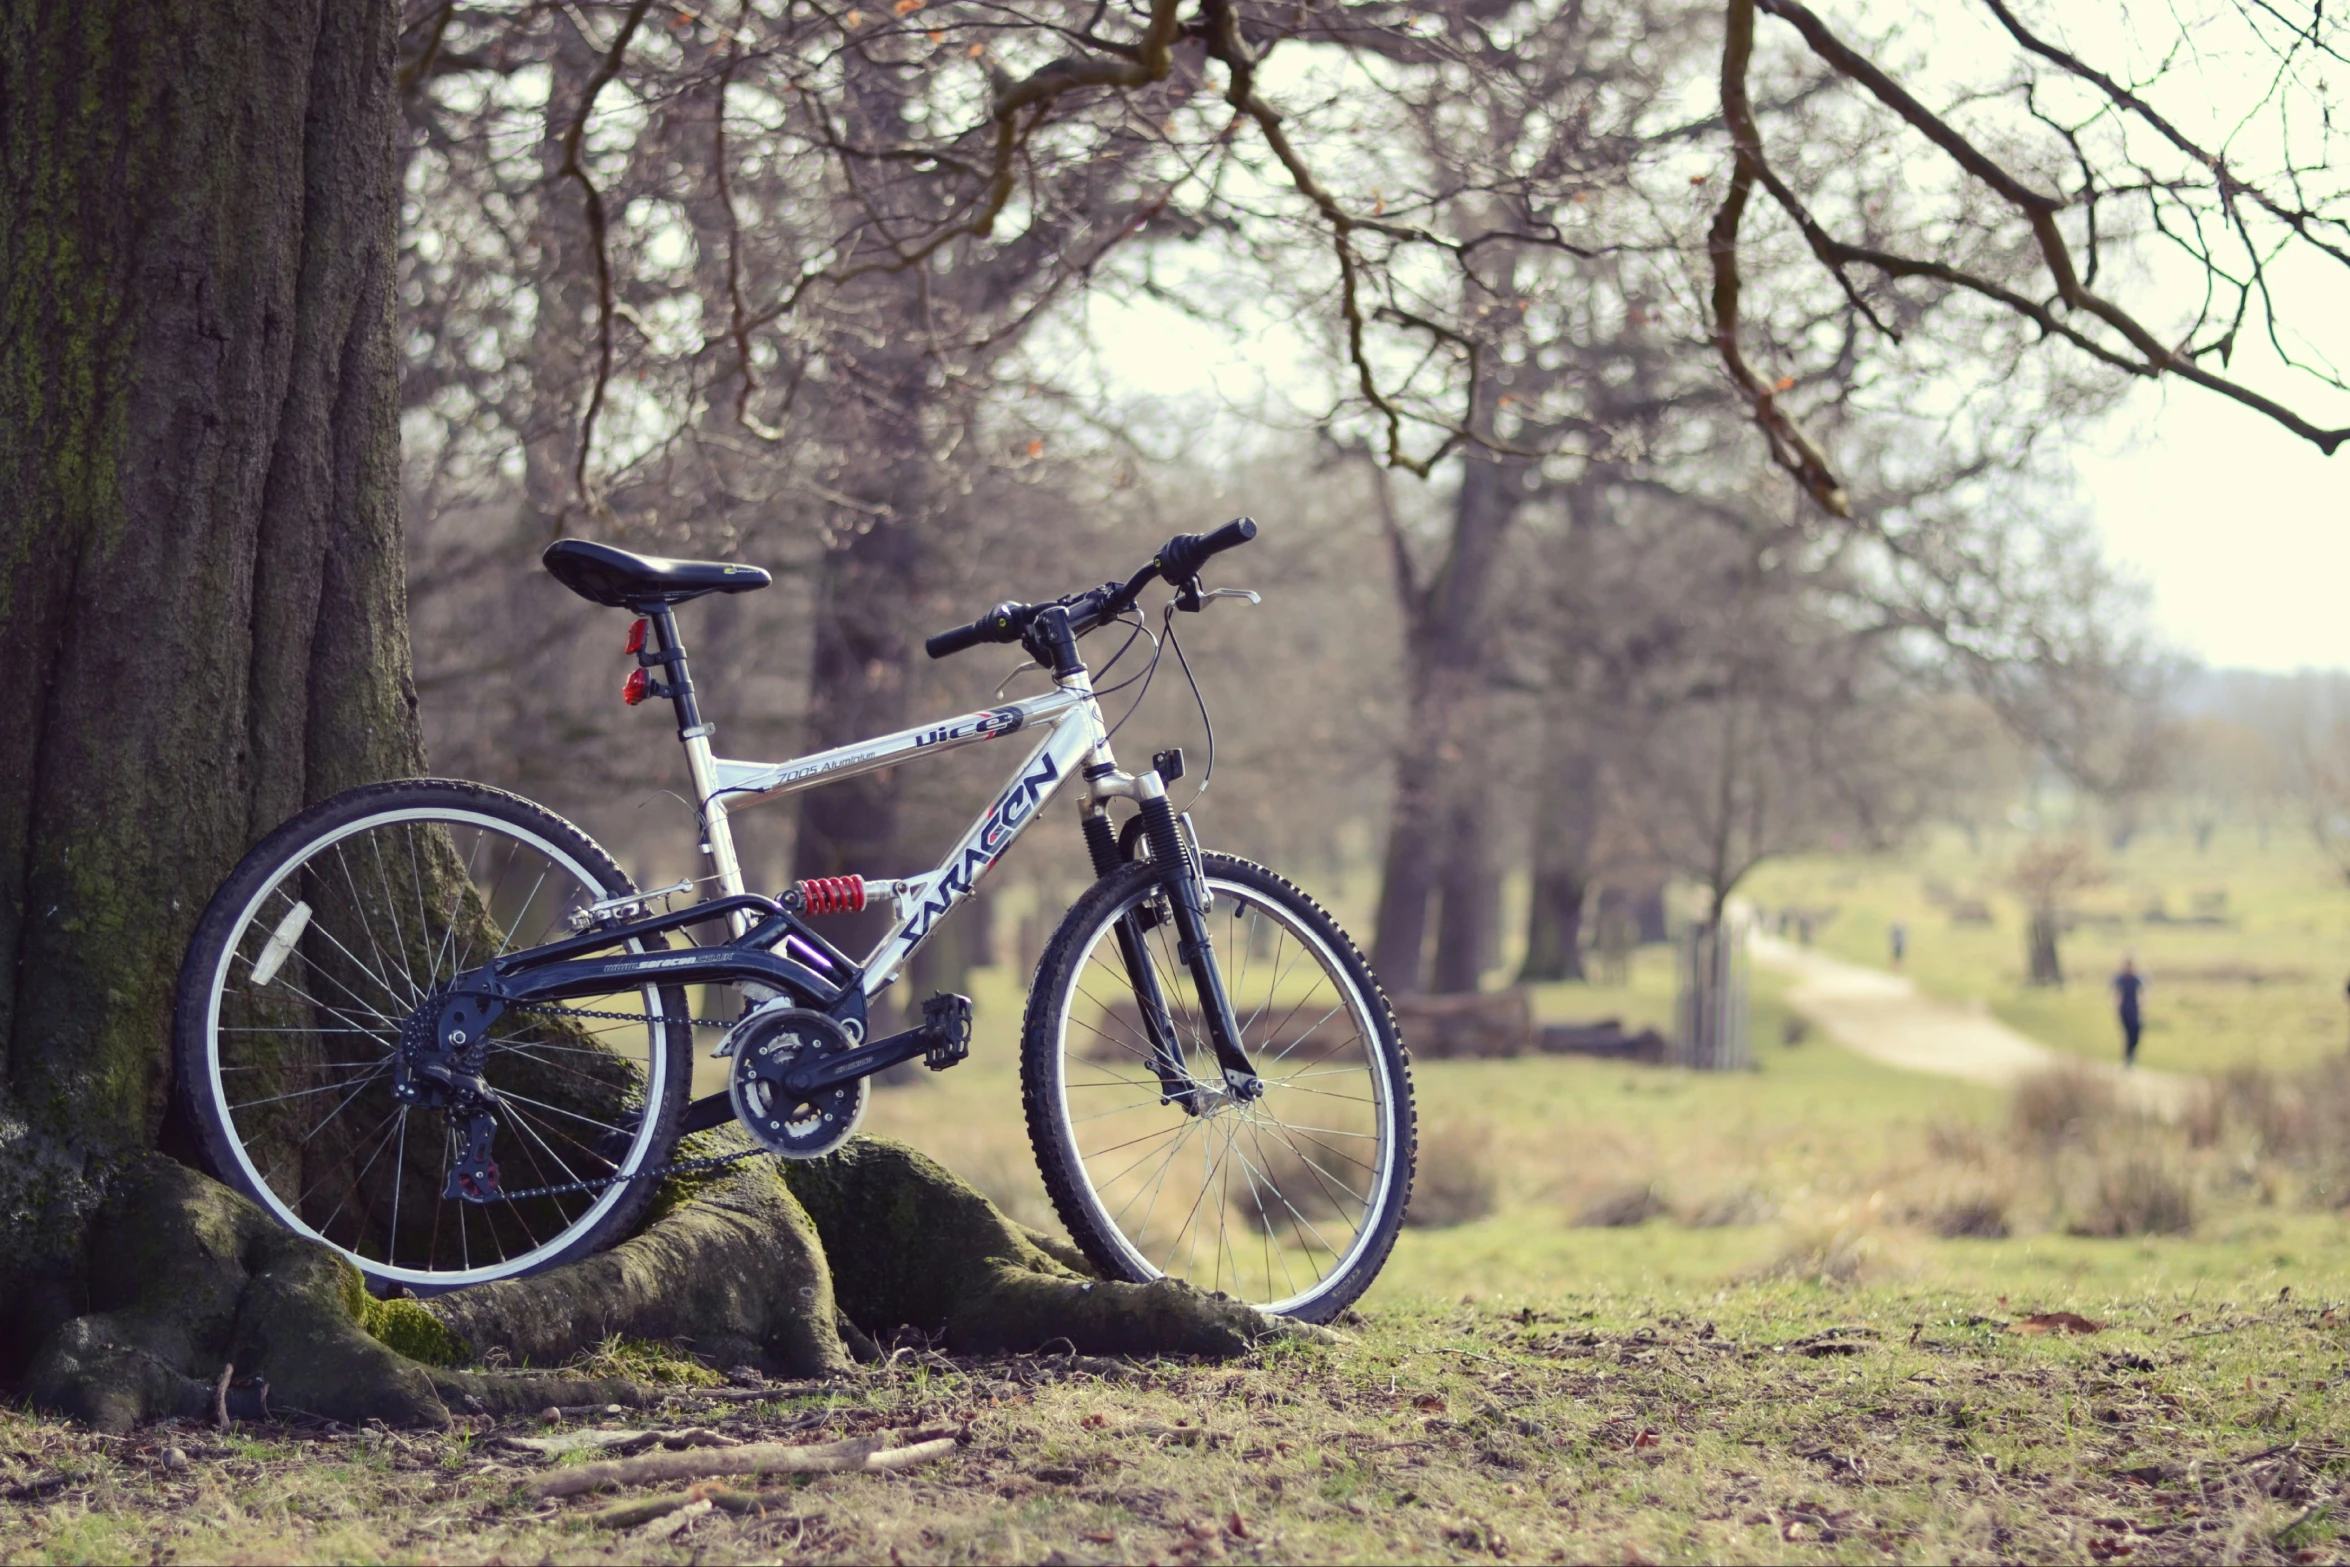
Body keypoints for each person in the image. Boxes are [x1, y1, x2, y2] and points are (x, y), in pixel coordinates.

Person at [2113, 957, 2146, 1067]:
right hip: (2124, 1011)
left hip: (2135, 1010)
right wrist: (2116, 1007)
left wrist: (2143, 1007)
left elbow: (2142, 993)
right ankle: (2127, 1059)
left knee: (2135, 1034)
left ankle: (2131, 1057)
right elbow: (2117, 994)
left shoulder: (2136, 979)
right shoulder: (2121, 979)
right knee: (2128, 1035)